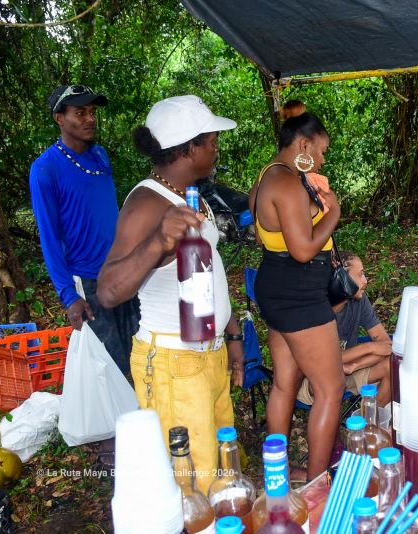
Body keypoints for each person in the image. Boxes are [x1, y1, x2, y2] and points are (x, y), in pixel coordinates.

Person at [96, 95, 243, 493]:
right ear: (189, 147)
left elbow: (209, 268)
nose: (216, 147)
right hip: (173, 365)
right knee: (190, 489)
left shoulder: (189, 195)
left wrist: (231, 335)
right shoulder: (147, 203)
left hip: (205, 357)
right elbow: (108, 290)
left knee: (219, 475)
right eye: (211, 140)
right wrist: (158, 240)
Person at [248, 102, 341, 481]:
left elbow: (265, 237)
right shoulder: (286, 182)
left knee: (286, 381)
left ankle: (279, 473)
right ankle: (318, 484)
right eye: (320, 150)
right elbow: (303, 250)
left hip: (275, 284)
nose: (320, 159)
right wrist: (332, 213)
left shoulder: (267, 177)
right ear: (303, 145)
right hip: (299, 293)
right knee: (330, 389)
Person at [29, 85, 140, 374]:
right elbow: (50, 238)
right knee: (113, 368)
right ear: (59, 118)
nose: (90, 119)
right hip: (88, 282)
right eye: (80, 113)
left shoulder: (100, 155)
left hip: (121, 270)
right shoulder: (45, 169)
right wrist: (68, 295)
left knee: (140, 356)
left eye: (92, 112)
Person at [296, 251, 392, 407]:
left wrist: (354, 366)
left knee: (392, 364)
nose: (365, 281)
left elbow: (386, 345)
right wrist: (369, 347)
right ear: (342, 279)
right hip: (312, 378)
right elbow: (322, 362)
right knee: (328, 376)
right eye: (360, 275)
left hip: (348, 370)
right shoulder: (318, 309)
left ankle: (370, 426)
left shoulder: (360, 301)